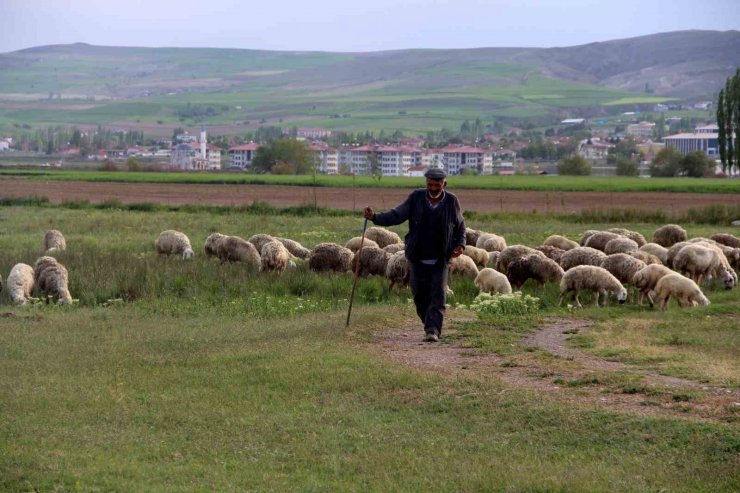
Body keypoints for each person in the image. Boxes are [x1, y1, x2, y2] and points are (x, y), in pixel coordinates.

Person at [364, 168, 465, 342]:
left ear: (444, 184)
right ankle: (429, 323)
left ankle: (433, 330)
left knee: (438, 294)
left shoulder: (451, 201)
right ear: (426, 184)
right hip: (417, 257)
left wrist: (460, 244)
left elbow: (460, 225)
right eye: (430, 184)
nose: (433, 187)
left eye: (437, 184)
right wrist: (375, 217)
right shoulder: (416, 198)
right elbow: (396, 215)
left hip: (440, 257)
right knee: (419, 295)